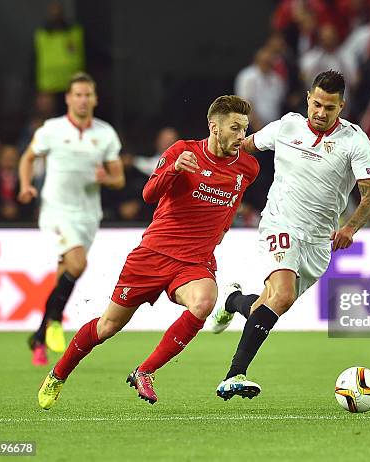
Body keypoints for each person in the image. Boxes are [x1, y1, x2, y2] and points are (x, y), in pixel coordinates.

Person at [37, 95, 259, 410]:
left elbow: (232, 201)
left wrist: (220, 231)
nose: (241, 136)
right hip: (153, 255)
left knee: (204, 302)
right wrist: (173, 170)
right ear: (214, 127)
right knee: (108, 326)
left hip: (194, 261)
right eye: (235, 128)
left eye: (244, 129)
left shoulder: (247, 167)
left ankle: (146, 371)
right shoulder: (183, 152)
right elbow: (148, 194)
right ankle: (59, 374)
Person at [210, 70, 370, 400]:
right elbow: (244, 146)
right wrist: (211, 161)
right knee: (282, 294)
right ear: (308, 99)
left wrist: (349, 227)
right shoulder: (287, 126)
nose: (320, 112)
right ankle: (234, 375)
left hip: (319, 241)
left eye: (329, 108)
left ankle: (231, 300)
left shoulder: (355, 141)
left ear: (341, 106)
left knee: (269, 303)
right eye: (316, 104)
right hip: (280, 223)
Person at [18, 72, 125, 366]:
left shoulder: (105, 134)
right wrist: (26, 185)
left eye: (87, 94)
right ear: (68, 98)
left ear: (95, 99)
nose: (82, 100)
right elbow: (27, 157)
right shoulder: (51, 129)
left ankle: (40, 336)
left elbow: (119, 178)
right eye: (77, 94)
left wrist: (107, 177)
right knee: (78, 264)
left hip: (88, 215)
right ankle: (53, 321)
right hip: (56, 209)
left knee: (65, 273)